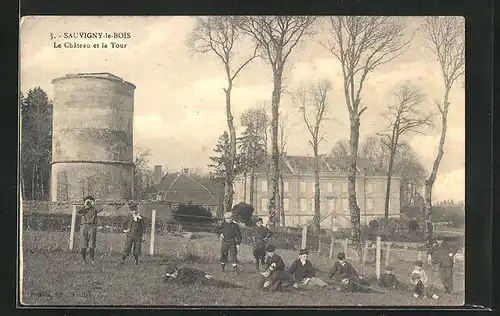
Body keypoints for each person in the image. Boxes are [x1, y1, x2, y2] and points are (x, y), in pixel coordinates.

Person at [163, 264, 243, 288]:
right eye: (172, 274)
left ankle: (237, 286)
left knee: (218, 283)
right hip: (197, 285)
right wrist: (167, 276)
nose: (174, 274)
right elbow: (164, 282)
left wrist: (205, 275)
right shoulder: (173, 280)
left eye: (175, 272)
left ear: (177, 269)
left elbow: (196, 271)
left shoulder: (183, 270)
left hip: (201, 280)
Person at [76, 196, 103, 264]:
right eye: (87, 201)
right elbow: (78, 212)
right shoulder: (84, 209)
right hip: (84, 226)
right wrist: (84, 205)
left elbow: (101, 208)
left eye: (90, 201)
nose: (89, 203)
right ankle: (84, 260)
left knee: (92, 245)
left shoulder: (94, 209)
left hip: (92, 226)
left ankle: (92, 260)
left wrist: (94, 204)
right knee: (83, 245)